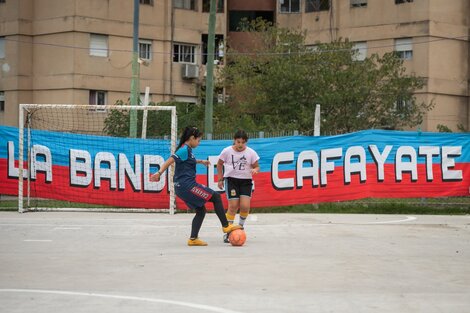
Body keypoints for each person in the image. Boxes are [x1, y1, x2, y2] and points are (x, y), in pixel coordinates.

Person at [150, 126, 242, 246]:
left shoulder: (187, 151)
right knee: (216, 197)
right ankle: (226, 226)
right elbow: (170, 160)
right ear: (192, 138)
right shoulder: (184, 149)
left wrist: (200, 161)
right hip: (187, 186)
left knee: (201, 210)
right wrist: (159, 172)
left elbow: (188, 160)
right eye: (198, 140)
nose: (199, 143)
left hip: (182, 187)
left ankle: (193, 239)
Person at [217, 130, 260, 243]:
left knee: (245, 206)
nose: (240, 145)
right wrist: (220, 178)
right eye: (238, 142)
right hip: (231, 181)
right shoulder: (227, 151)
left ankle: (240, 227)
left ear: (246, 142)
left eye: (243, 142)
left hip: (246, 181)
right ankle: (229, 231)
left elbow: (256, 166)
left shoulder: (251, 152)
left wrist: (255, 170)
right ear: (234, 140)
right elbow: (220, 163)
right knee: (233, 206)